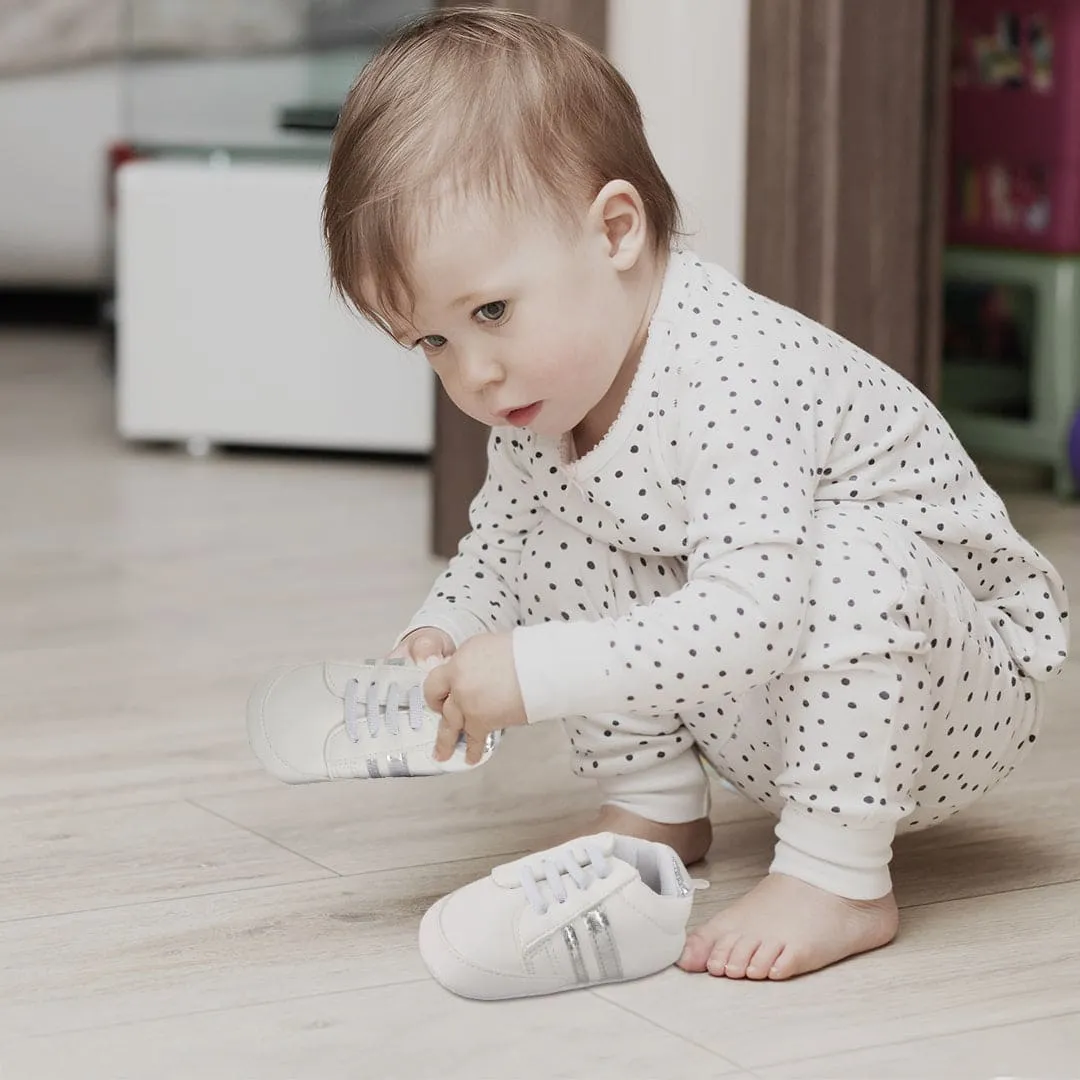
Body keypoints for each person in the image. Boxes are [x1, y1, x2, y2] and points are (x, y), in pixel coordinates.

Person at [316, 7, 1069, 980]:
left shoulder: (732, 369)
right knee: (563, 530)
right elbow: (499, 550)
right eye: (434, 342)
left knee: (852, 550)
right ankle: (655, 806)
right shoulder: (546, 402)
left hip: (947, 693)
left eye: (492, 312)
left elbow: (756, 617)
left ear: (617, 231)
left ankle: (838, 873)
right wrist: (446, 632)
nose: (475, 377)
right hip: (777, 705)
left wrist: (537, 672)